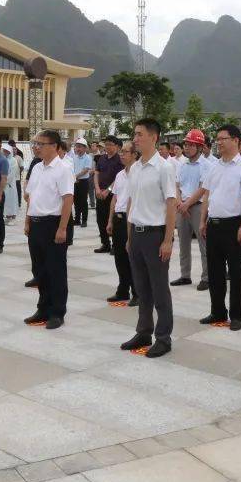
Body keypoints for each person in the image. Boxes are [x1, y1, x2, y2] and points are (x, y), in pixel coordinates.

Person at [120, 118, 177, 358]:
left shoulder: (164, 167)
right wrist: (129, 236)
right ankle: (143, 331)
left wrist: (167, 240)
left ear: (154, 137)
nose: (136, 138)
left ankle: (163, 337)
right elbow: (132, 202)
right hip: (138, 234)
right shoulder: (135, 168)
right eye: (135, 134)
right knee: (142, 288)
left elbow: (171, 203)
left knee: (159, 288)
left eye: (140, 134)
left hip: (156, 236)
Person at [198, 124, 241, 331]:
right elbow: (207, 196)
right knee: (215, 272)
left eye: (223, 138)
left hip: (234, 225)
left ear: (236, 141)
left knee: (237, 273)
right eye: (217, 139)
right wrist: (203, 221)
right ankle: (217, 312)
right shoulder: (214, 166)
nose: (219, 142)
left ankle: (237, 315)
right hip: (214, 226)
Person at [24, 129, 74, 330]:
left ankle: (57, 312)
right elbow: (31, 197)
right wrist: (27, 221)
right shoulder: (37, 167)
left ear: (53, 146)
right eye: (35, 144)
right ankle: (43, 308)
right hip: (36, 224)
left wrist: (62, 228)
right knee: (40, 270)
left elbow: (68, 199)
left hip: (53, 224)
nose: (36, 147)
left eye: (40, 144)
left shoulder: (63, 169)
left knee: (56, 270)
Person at [172, 130, 213, 290]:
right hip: (181, 208)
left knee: (204, 244)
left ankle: (207, 277)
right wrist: (179, 203)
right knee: (183, 243)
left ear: (200, 147)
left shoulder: (207, 165)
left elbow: (203, 188)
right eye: (186, 144)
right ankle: (185, 275)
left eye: (190, 145)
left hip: (197, 208)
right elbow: (176, 185)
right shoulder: (182, 164)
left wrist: (187, 204)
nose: (186, 148)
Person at [107, 141, 137, 305]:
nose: (122, 154)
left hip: (130, 219)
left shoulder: (138, 173)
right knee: (119, 257)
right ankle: (123, 289)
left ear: (134, 154)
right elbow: (115, 198)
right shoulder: (119, 175)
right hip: (118, 219)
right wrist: (110, 220)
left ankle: (137, 291)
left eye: (125, 152)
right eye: (121, 152)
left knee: (131, 256)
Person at [93, 136, 124, 254]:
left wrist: (108, 190)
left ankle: (115, 245)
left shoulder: (119, 159)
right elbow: (97, 173)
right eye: (106, 144)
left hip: (113, 194)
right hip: (100, 193)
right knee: (100, 219)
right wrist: (97, 188)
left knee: (113, 220)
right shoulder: (102, 158)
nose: (107, 147)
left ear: (117, 146)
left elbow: (118, 178)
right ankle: (105, 243)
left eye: (110, 144)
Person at [71, 138, 93, 228]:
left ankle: (84, 220)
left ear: (85, 148)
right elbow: (72, 168)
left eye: (80, 147)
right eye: (77, 147)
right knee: (76, 201)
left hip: (83, 182)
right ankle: (77, 220)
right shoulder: (74, 157)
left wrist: (75, 176)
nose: (78, 149)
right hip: (74, 181)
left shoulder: (88, 158)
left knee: (83, 201)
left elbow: (86, 170)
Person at [3, 143, 20, 224]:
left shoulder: (13, 160)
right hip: (4, 184)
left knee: (11, 200)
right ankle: (7, 216)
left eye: (6, 151)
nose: (5, 152)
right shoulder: (4, 159)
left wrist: (6, 181)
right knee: (6, 200)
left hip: (10, 184)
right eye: (4, 151)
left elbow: (12, 173)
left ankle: (12, 217)